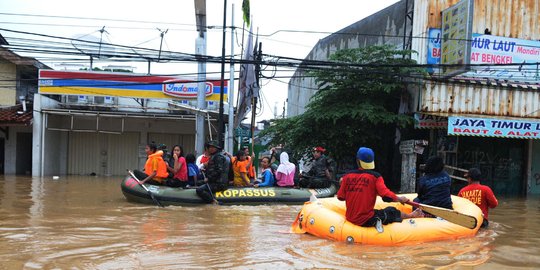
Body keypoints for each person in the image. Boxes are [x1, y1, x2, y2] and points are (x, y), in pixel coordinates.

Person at [337, 147, 422, 228]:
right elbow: (386, 196)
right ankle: (411, 215)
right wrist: (400, 199)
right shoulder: (376, 177)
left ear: (357, 160)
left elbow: (340, 197)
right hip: (366, 220)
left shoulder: (346, 177)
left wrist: (346, 185)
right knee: (392, 211)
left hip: (350, 218)